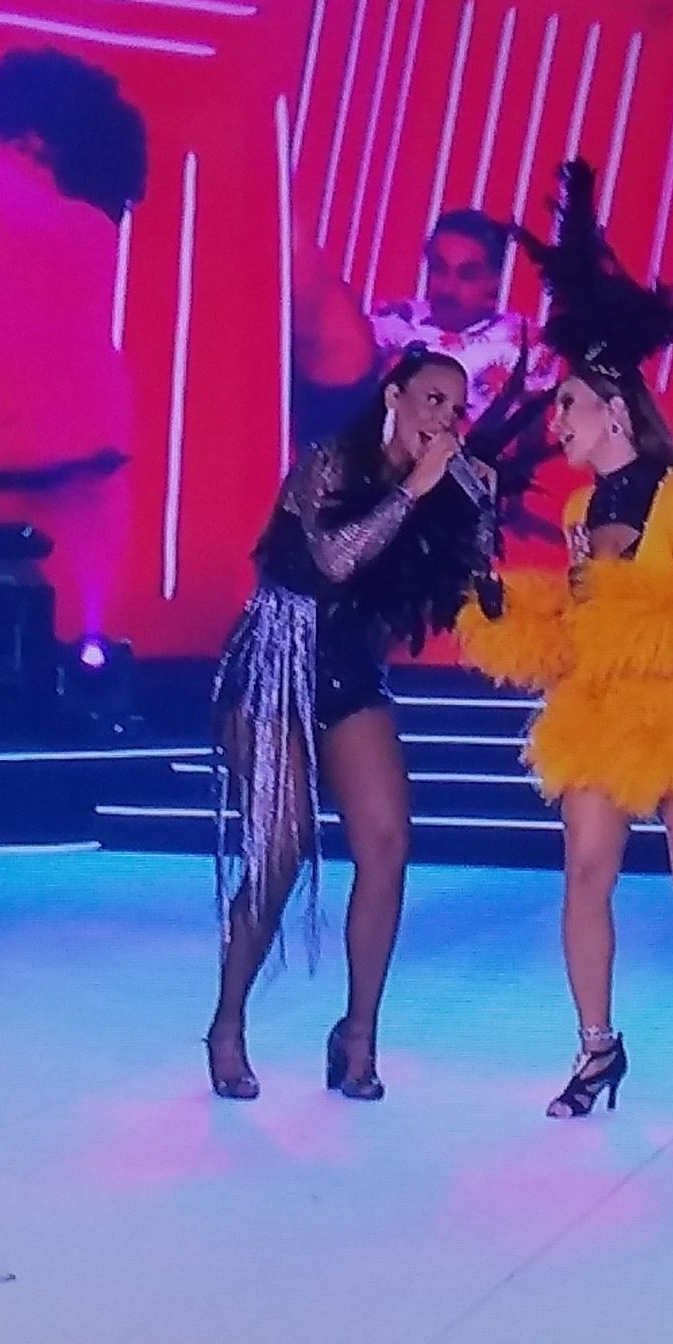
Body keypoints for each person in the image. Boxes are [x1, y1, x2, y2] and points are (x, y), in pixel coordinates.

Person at [457, 159, 673, 1136]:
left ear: (612, 411)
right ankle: (597, 1046)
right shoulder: (580, 508)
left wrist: (610, 603)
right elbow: (576, 633)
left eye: (567, 406)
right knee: (585, 876)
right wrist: (503, 604)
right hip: (604, 712)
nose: (555, 420)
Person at [204, 346, 506, 1102]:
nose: (446, 418)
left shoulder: (440, 487)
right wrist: (414, 489)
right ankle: (228, 1023)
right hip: (275, 665)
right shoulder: (331, 462)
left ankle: (358, 1034)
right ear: (394, 397)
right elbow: (335, 559)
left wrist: (480, 510)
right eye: (433, 400)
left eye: (457, 408)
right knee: (279, 855)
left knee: (387, 842)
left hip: (351, 672)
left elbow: (477, 591)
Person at [0, 49, 143, 639]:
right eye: (9, 146)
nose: (10, 163)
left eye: (32, 152)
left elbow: (34, 215)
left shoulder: (85, 233)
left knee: (58, 648)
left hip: (73, 501)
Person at [293, 208, 560, 441]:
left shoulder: (524, 343)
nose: (448, 287)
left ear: (494, 280)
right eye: (439, 269)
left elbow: (529, 441)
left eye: (467, 275)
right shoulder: (395, 318)